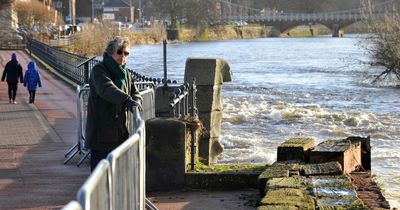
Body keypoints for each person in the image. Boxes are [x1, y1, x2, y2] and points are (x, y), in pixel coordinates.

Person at [85, 36, 142, 172]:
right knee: (99, 175)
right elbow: (106, 89)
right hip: (101, 135)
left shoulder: (125, 73)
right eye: (119, 52)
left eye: (126, 53)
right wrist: (127, 100)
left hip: (119, 132)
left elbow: (136, 92)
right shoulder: (99, 70)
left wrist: (135, 103)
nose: (123, 56)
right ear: (110, 52)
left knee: (118, 174)